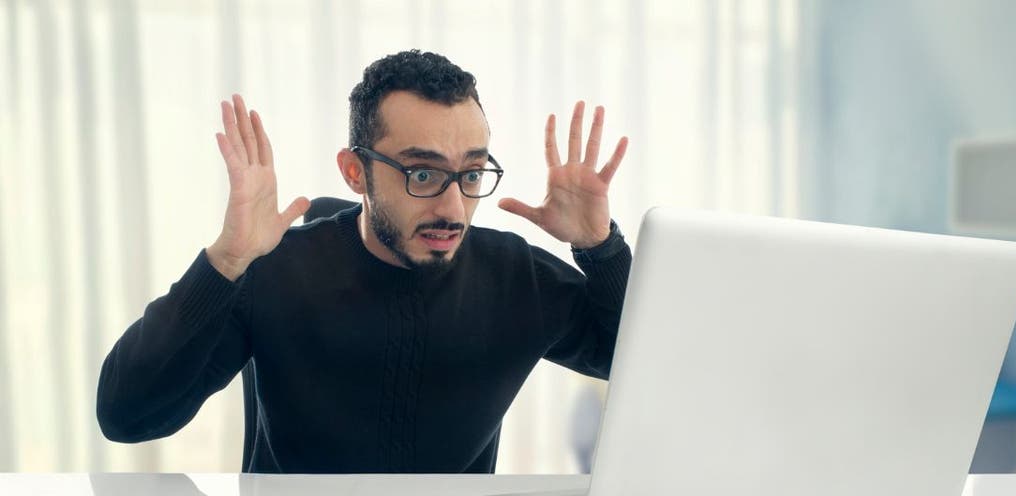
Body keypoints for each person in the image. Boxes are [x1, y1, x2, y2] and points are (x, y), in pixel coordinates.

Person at [97, 50, 631, 473]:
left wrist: (599, 248)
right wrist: (227, 260)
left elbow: (640, 365)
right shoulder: (274, 272)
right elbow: (128, 415)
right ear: (355, 173)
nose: (452, 208)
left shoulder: (518, 278)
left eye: (470, 175)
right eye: (422, 174)